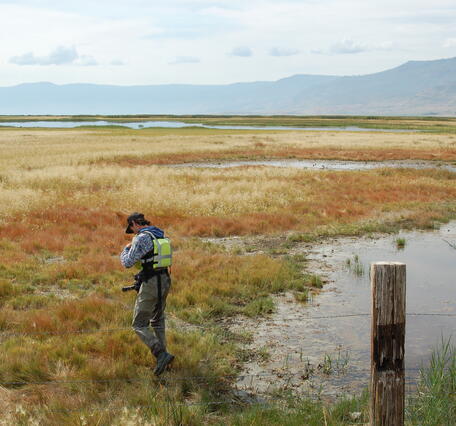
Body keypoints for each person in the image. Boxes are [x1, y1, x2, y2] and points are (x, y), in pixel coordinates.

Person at [120, 212, 174, 376]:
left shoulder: (142, 238)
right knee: (157, 320)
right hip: (164, 280)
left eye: (132, 228)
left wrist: (125, 249)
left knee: (139, 324)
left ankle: (161, 354)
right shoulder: (159, 233)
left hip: (151, 284)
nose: (133, 232)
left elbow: (127, 262)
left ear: (135, 223)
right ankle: (165, 362)